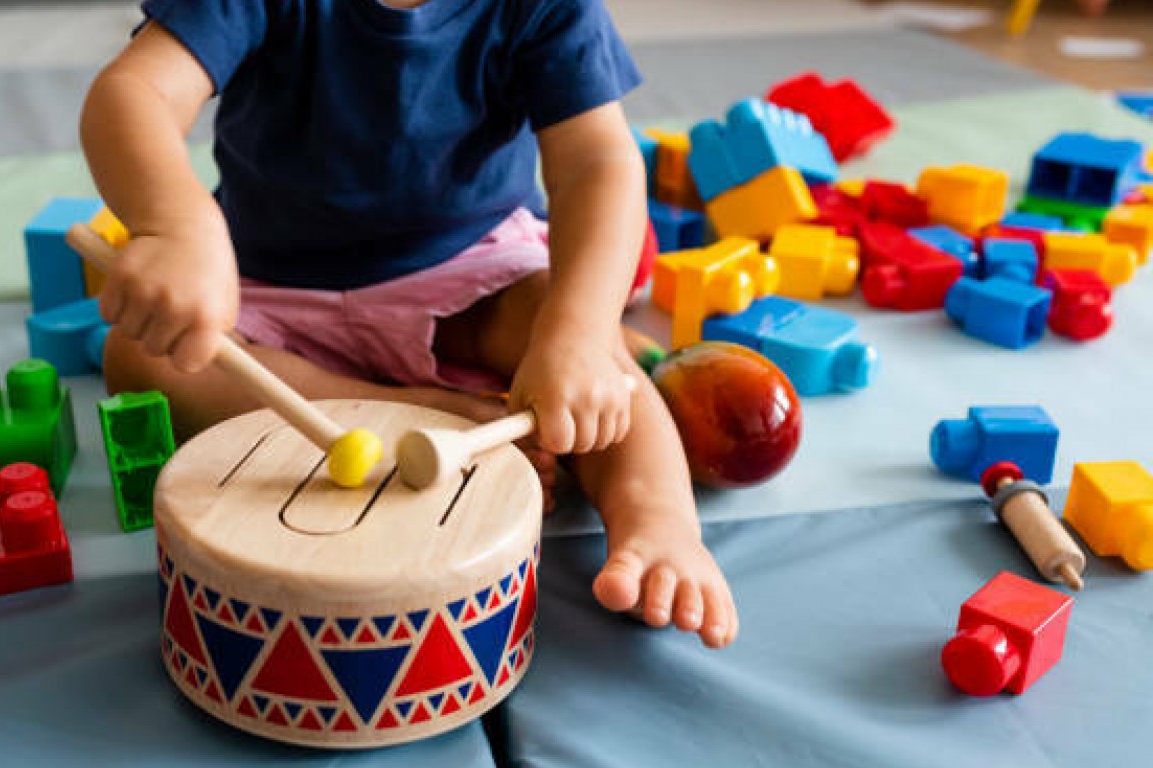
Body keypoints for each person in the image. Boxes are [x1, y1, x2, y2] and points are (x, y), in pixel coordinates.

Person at [80, 0, 738, 648]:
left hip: (470, 270)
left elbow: (597, 162)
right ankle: (425, 413)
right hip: (269, 283)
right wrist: (178, 227)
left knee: (588, 356)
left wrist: (580, 332)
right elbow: (135, 91)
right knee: (144, 357)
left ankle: (656, 523)